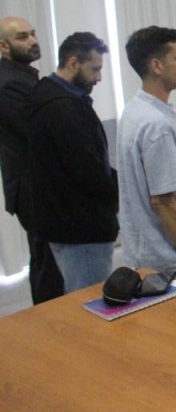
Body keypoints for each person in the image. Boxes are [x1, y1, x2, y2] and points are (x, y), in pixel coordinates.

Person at [117, 27, 176, 287]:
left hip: (147, 258)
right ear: (157, 66)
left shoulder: (135, 111)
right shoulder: (156, 125)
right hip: (171, 265)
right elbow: (163, 202)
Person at [25, 32, 117, 293]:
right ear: (73, 62)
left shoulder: (48, 95)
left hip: (67, 223)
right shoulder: (62, 108)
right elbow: (87, 170)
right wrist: (116, 196)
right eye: (95, 69)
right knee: (91, 301)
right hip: (81, 228)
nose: (99, 77)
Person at [0, 17, 64, 302]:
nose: (33, 41)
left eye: (33, 34)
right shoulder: (9, 84)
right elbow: (40, 132)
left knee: (48, 260)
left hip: (38, 186)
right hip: (33, 189)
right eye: (23, 37)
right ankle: (50, 324)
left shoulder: (23, 77)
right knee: (47, 264)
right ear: (4, 46)